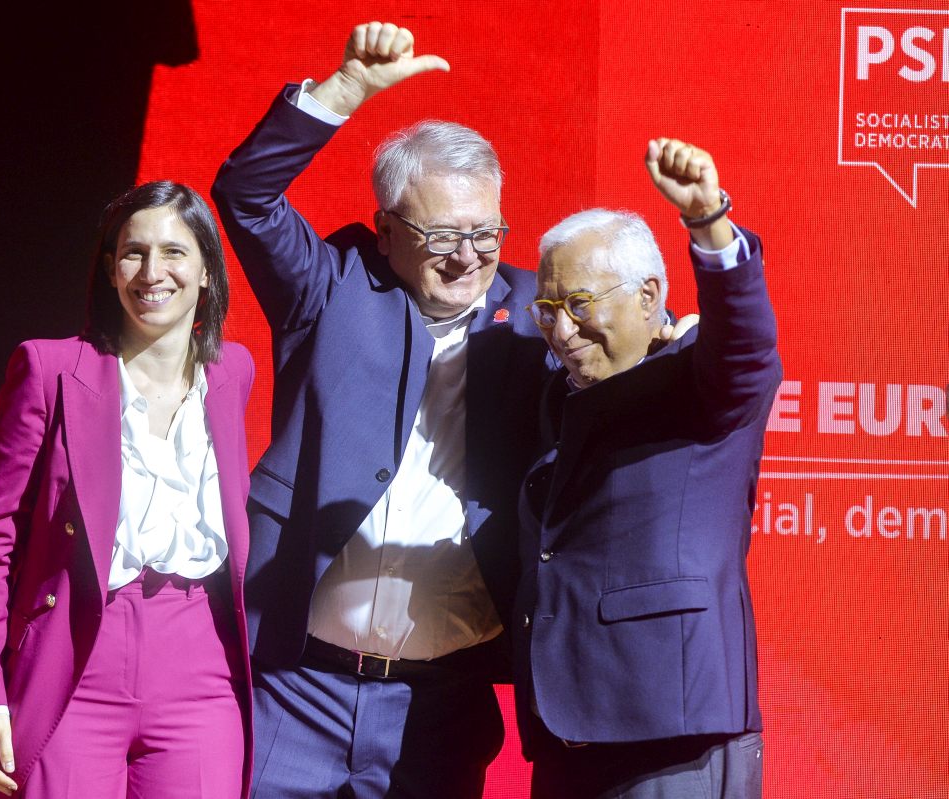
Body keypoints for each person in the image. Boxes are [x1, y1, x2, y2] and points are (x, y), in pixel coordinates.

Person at [210, 22, 684, 798]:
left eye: (485, 232)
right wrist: (343, 92)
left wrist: (671, 340)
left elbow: (623, 355)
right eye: (440, 235)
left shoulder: (538, 315)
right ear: (386, 231)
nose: (467, 256)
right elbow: (246, 196)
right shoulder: (330, 288)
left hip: (440, 709)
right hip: (297, 689)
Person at [0, 181, 255, 799]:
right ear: (111, 269)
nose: (152, 272)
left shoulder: (233, 373)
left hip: (201, 669)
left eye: (174, 252)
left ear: (207, 271)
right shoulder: (48, 369)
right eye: (133, 253)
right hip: (73, 661)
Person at [514, 139, 781, 798]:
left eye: (580, 304)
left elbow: (745, 346)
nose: (562, 330)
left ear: (648, 296)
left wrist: (708, 223)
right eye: (547, 310)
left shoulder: (700, 384)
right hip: (567, 736)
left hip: (672, 738)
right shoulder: (555, 397)